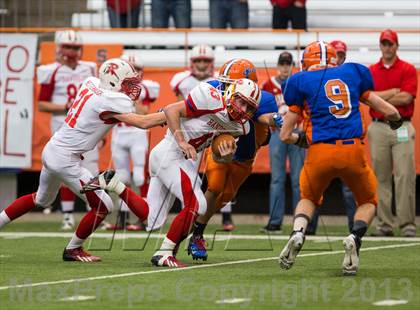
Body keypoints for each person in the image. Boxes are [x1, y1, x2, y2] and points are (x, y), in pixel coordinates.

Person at [0, 58, 166, 262]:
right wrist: (169, 114)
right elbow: (141, 122)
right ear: (113, 83)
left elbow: (95, 114)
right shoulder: (112, 100)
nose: (132, 88)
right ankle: (73, 249)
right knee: (104, 205)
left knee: (41, 199)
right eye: (127, 83)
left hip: (53, 148)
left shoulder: (91, 82)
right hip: (65, 159)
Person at [84, 78, 262, 268]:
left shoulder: (240, 127)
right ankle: (165, 252)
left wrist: (225, 155)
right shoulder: (210, 98)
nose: (243, 109)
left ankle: (114, 184)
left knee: (152, 219)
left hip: (174, 159)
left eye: (249, 107)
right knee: (197, 204)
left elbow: (218, 156)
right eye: (241, 101)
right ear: (230, 93)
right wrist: (181, 141)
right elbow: (171, 110)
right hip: (169, 152)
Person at [278, 41, 403, 276]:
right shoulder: (352, 72)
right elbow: (387, 109)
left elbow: (285, 135)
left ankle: (298, 232)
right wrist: (395, 118)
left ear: (306, 62)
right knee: (367, 201)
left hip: (319, 151)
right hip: (352, 149)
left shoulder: (300, 81)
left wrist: (300, 140)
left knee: (309, 197)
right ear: (335, 59)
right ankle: (354, 236)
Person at [188, 58, 281, 261]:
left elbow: (265, 118)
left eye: (231, 85)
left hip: (244, 157)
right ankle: (196, 234)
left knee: (224, 197)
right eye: (225, 84)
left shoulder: (262, 99)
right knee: (214, 187)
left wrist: (275, 119)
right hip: (220, 146)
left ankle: (196, 225)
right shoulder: (214, 89)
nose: (225, 89)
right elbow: (190, 108)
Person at [37, 30, 99, 230]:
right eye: (68, 47)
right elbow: (42, 105)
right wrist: (67, 106)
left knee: (93, 169)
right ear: (59, 48)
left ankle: (96, 211)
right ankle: (67, 215)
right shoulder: (51, 70)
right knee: (64, 170)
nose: (72, 51)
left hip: (86, 126)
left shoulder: (90, 69)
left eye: (75, 47)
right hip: (62, 125)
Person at [170, 45, 235, 231]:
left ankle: (226, 217)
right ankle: (188, 217)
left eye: (205, 61)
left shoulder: (220, 80)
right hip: (194, 135)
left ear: (212, 63)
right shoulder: (181, 80)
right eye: (198, 60)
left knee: (221, 173)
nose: (201, 64)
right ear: (191, 62)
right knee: (191, 178)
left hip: (216, 132)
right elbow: (177, 106)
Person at [368, 29, 418, 237]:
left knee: (405, 175)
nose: (387, 47)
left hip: (402, 125)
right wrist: (392, 93)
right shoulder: (371, 70)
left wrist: (379, 99)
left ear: (396, 45)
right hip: (378, 126)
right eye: (384, 43)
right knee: (380, 176)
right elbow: (367, 96)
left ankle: (407, 223)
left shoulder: (407, 68)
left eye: (390, 44)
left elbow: (406, 98)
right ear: (380, 46)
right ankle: (385, 224)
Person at [108, 53, 160, 231]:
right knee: (122, 176)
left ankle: (143, 218)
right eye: (130, 69)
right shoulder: (111, 88)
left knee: (139, 176)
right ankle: (122, 218)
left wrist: (132, 92)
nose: (134, 73)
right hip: (119, 133)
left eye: (137, 69)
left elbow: (143, 112)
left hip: (137, 133)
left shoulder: (144, 88)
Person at [260, 51, 304, 234]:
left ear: (292, 65)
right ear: (278, 65)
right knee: (277, 178)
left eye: (288, 64)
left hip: (297, 131)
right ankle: (275, 221)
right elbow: (263, 109)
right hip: (278, 133)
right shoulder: (268, 85)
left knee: (297, 179)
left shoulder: (299, 81)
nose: (285, 67)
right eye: (283, 64)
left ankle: (300, 221)